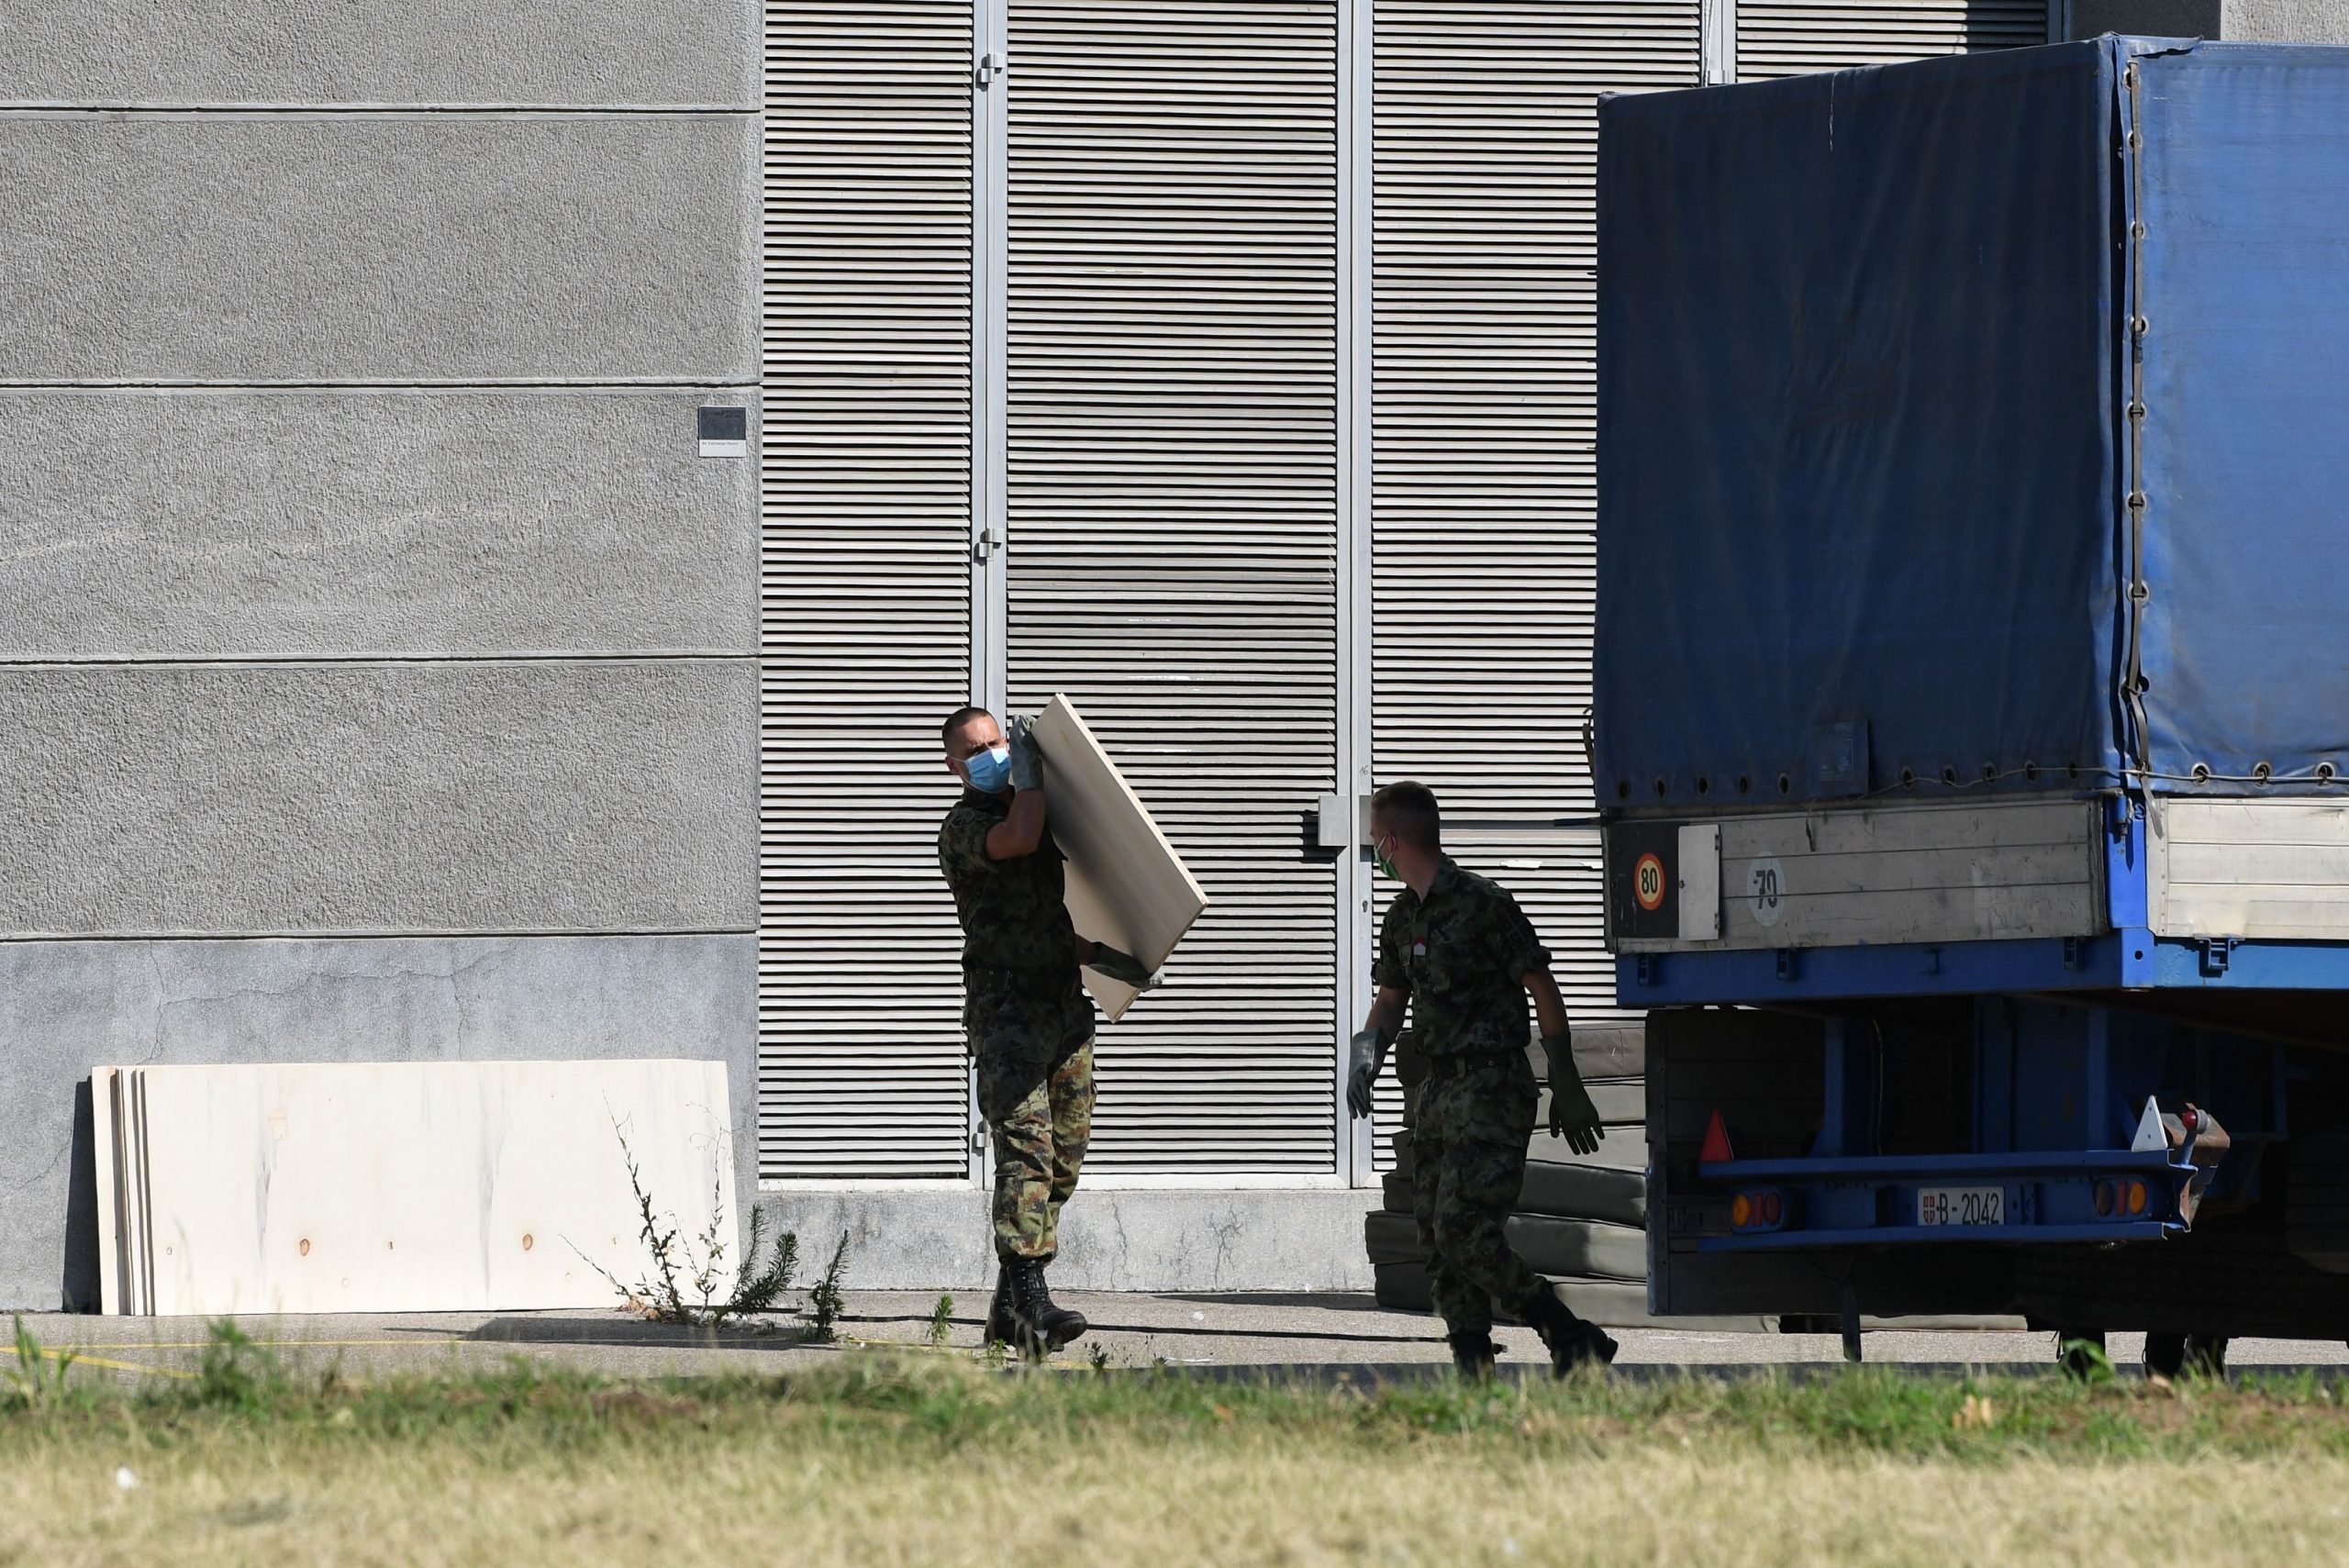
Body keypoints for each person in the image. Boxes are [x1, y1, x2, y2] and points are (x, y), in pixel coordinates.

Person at [1344, 780, 1618, 1378]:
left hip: (1492, 1088)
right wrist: (1367, 1050)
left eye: (1375, 843)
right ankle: (1473, 1370)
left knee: (1463, 1228)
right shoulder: (1401, 918)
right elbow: (1392, 1000)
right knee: (1437, 1243)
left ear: (1392, 839)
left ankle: (1567, 1332)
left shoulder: (1484, 903)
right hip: (1437, 1094)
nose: (1376, 855)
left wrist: (1566, 1082)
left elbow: (1541, 985)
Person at [937, 706, 1154, 1356]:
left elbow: (1042, 917)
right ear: (954, 767)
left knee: (1064, 1159)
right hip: (1006, 1017)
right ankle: (1032, 1300)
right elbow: (1020, 837)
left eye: (998, 741)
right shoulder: (967, 826)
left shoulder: (1033, 811)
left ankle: (1008, 1307)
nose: (992, 753)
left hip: (1063, 1010)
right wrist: (1031, 775)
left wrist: (1106, 956)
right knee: (1026, 1152)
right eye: (975, 749)